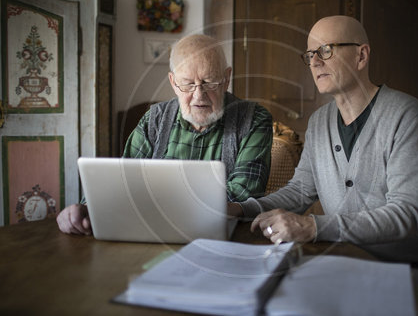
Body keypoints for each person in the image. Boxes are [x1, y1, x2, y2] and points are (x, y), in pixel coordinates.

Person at [230, 16, 418, 270]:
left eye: (326, 50)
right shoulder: (319, 122)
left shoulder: (407, 115)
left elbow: (406, 213)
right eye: (310, 54)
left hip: (408, 266)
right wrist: (240, 209)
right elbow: (300, 191)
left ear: (361, 56)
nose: (315, 61)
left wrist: (312, 226)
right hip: (345, 257)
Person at [58, 34, 273, 235]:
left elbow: (243, 193)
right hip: (154, 232)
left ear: (226, 79)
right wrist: (88, 208)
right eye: (188, 83)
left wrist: (159, 204)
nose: (199, 95)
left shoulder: (254, 119)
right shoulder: (155, 119)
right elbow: (125, 177)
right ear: (173, 82)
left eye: (209, 82)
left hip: (224, 237)